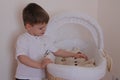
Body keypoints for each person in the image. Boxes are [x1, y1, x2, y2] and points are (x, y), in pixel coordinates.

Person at [15, 3, 88, 80]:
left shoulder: (45, 39)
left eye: (45, 26)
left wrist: (74, 55)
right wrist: (39, 65)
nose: (44, 30)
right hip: (24, 77)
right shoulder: (23, 39)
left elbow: (57, 51)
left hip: (39, 77)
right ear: (28, 26)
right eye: (40, 28)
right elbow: (22, 57)